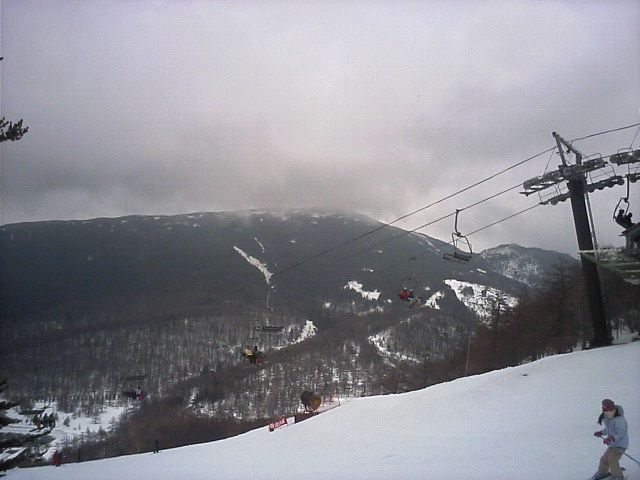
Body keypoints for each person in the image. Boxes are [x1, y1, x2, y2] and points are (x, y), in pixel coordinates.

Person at [590, 398, 628, 480]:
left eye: (611, 408)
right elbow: (609, 429)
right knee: (604, 459)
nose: (609, 411)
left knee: (612, 459)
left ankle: (617, 476)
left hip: (620, 444)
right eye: (606, 409)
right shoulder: (609, 419)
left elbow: (620, 433)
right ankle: (602, 472)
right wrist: (601, 432)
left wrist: (611, 438)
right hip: (613, 444)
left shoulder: (620, 419)